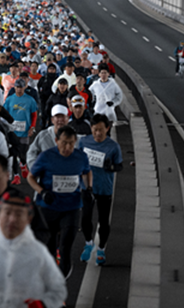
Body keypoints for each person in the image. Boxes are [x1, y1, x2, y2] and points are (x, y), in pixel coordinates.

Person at [28, 125, 91, 278]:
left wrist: (88, 188)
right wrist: (42, 192)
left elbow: (87, 171)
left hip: (71, 208)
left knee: (65, 248)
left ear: (75, 142)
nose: (67, 147)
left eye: (71, 143)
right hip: (49, 207)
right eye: (64, 143)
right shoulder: (46, 156)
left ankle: (60, 284)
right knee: (49, 249)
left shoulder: (81, 157)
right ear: (56, 141)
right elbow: (30, 177)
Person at [79, 113, 123, 266]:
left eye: (101, 130)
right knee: (85, 218)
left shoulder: (113, 146)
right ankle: (88, 243)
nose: (98, 133)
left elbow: (120, 166)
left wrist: (111, 167)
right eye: (95, 129)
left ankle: (101, 249)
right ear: (91, 128)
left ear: (107, 129)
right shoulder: (84, 141)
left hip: (104, 188)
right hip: (87, 187)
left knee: (103, 221)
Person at [27, 104, 70, 170]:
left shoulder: (74, 137)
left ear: (68, 119)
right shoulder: (43, 135)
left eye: (63, 116)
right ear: (52, 120)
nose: (60, 119)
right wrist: (36, 169)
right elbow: (31, 153)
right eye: (57, 117)